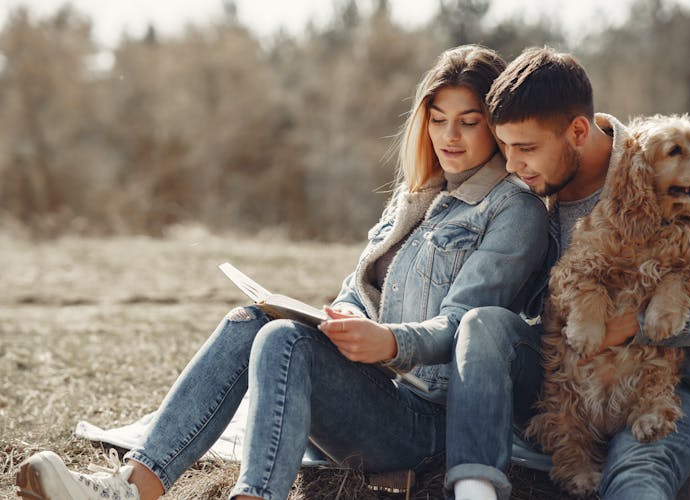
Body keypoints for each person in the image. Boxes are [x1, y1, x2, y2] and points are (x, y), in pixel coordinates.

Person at [15, 44, 549, 500]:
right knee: (252, 322)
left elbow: (463, 328)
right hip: (372, 389)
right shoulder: (416, 198)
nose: (449, 136)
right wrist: (343, 316)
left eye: (468, 122)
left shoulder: (513, 211)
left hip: (428, 417)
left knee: (282, 343)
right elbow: (360, 289)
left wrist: (386, 341)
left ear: (496, 127)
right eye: (437, 120)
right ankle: (131, 486)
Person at [448, 46, 690, 500]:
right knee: (484, 325)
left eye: (526, 149)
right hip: (567, 378)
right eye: (505, 149)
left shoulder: (681, 178)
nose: (512, 165)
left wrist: (639, 326)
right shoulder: (523, 195)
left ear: (576, 130)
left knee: (636, 469)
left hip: (671, 384)